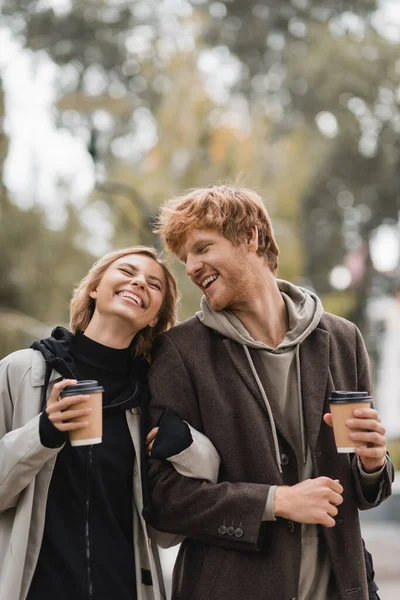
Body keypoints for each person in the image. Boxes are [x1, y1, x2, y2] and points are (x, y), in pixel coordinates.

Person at [146, 185, 394, 600]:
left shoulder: (343, 338)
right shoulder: (179, 352)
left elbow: (364, 492)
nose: (191, 267)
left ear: (251, 237)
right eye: (186, 258)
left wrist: (372, 463)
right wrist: (275, 501)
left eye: (203, 248)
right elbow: (163, 499)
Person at [0, 245, 220, 600]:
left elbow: (169, 531)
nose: (139, 283)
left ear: (154, 317)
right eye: (127, 272)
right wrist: (42, 433)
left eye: (154, 284)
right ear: (94, 288)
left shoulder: (153, 394)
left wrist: (185, 446)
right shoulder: (23, 371)